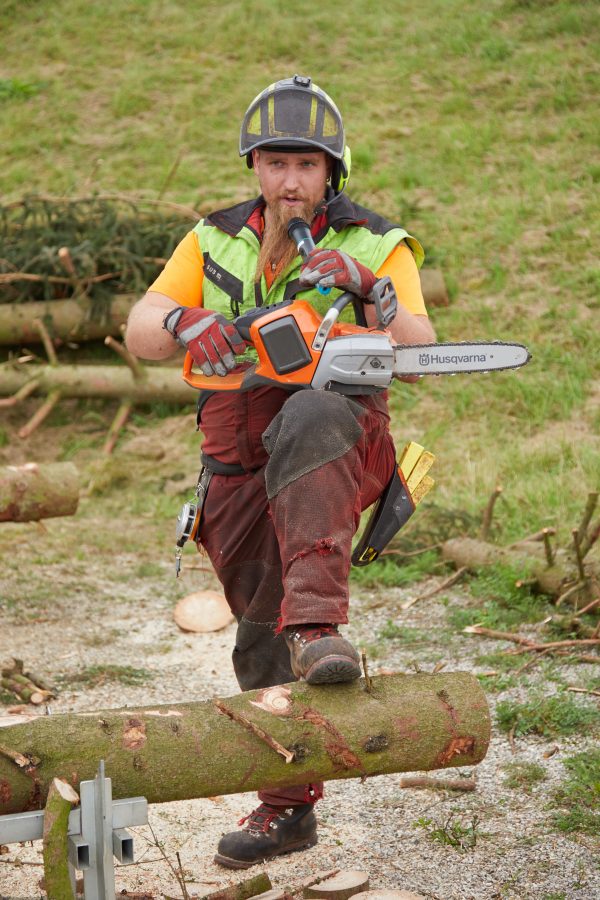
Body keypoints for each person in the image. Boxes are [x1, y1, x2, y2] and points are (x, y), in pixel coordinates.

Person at [126, 74, 436, 870]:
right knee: (257, 630)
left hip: (337, 442)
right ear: (255, 168)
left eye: (306, 164)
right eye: (276, 163)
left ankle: (319, 625)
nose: (290, 181)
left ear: (331, 170)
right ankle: (287, 807)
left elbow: (422, 351)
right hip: (235, 453)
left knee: (311, 412)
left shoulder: (375, 241)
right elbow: (140, 331)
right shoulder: (214, 237)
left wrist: (370, 290)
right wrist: (186, 321)